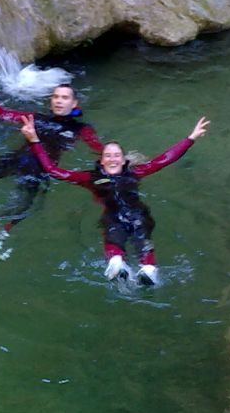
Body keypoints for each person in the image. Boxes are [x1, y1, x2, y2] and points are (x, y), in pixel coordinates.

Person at [21, 114, 210, 286]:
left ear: (123, 160)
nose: (112, 159)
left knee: (142, 238)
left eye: (117, 155)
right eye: (108, 156)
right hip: (113, 218)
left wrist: (191, 138)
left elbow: (164, 159)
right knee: (114, 238)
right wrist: (34, 141)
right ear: (102, 161)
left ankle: (148, 271)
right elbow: (55, 172)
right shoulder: (90, 178)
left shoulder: (136, 172)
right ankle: (118, 265)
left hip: (138, 215)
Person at [0, 78, 103, 234]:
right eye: (55, 97)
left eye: (65, 98)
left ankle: (1, 230)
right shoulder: (35, 118)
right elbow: (1, 114)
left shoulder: (81, 129)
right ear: (51, 101)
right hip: (18, 158)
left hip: (39, 169)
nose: (58, 100)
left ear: (74, 103)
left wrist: (119, 162)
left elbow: (98, 149)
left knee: (25, 203)